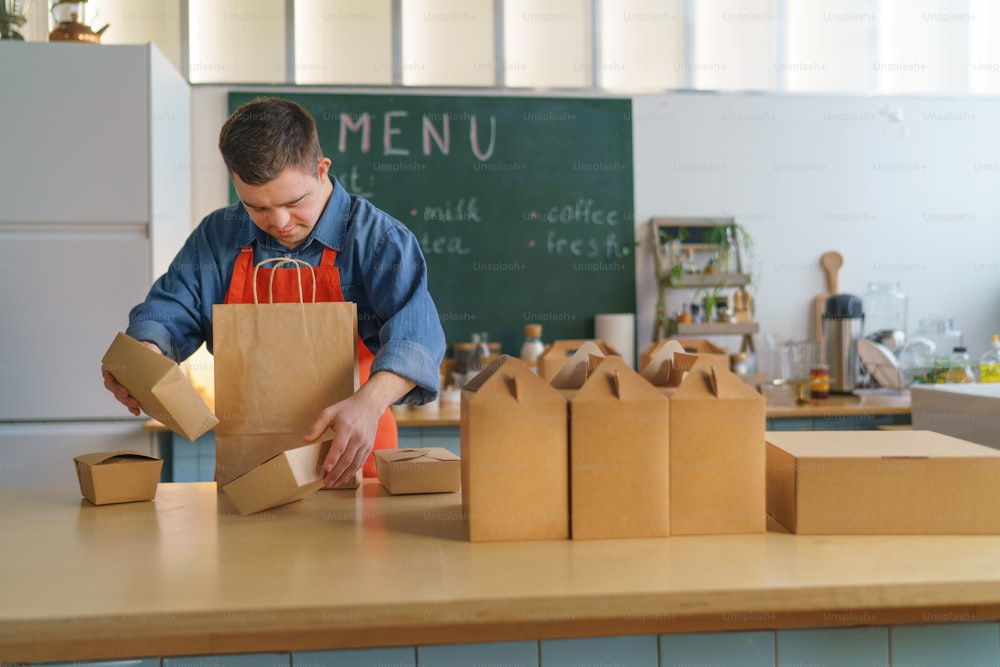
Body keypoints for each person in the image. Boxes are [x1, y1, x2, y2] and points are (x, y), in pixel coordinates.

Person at [102, 96, 445, 488]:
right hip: (249, 473)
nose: (279, 223)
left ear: (321, 169)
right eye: (257, 208)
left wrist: (369, 403)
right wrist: (144, 357)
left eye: (293, 202)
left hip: (352, 459)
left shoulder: (379, 240)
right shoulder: (218, 236)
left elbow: (417, 337)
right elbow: (170, 311)